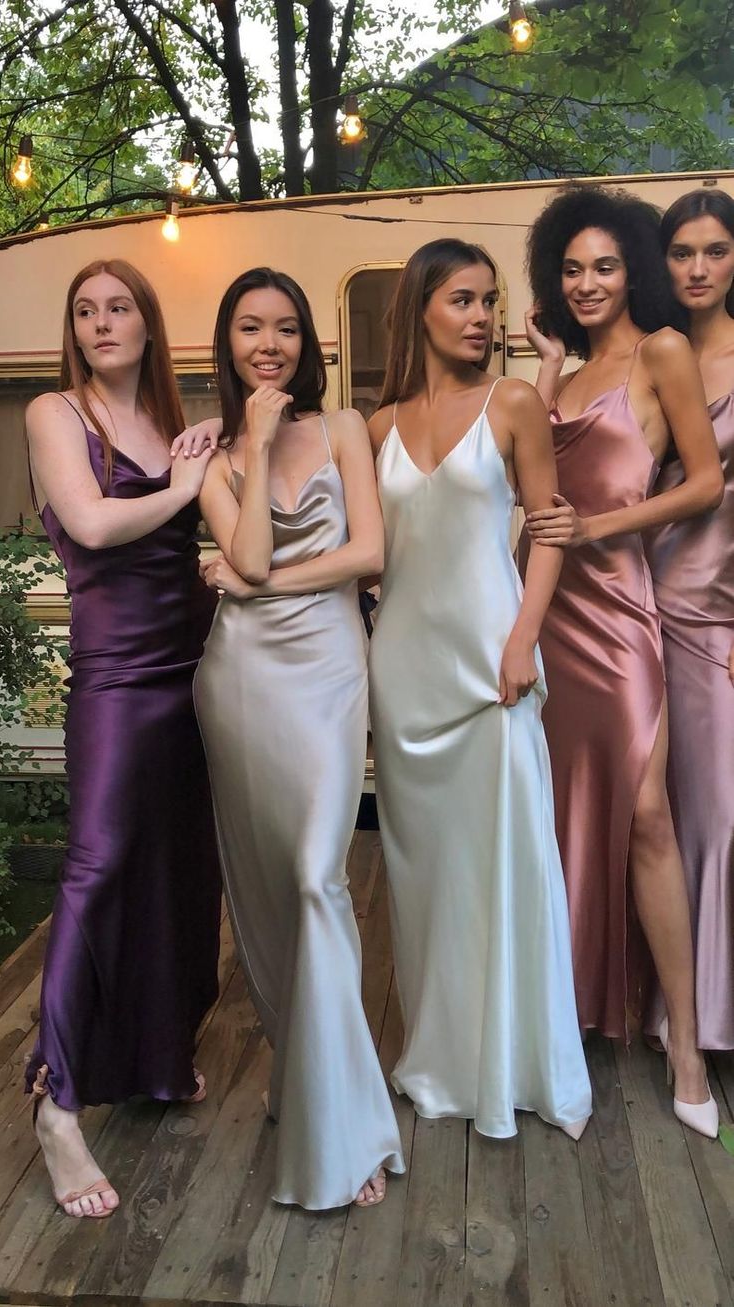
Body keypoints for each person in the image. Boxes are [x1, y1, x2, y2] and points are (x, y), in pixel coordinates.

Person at [367, 238, 592, 1141]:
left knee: (504, 865)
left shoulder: (513, 401)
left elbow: (548, 531)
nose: (482, 316)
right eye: (463, 299)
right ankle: (441, 1054)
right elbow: (365, 555)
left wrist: (522, 641)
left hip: (491, 666)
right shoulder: (376, 425)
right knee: (425, 882)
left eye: (489, 300)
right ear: (420, 305)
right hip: (403, 677)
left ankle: (512, 1065)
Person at [193, 267, 404, 1210]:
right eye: (250, 328)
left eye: (285, 327)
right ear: (228, 342)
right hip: (238, 681)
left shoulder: (349, 428)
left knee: (320, 874)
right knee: (267, 888)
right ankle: (298, 1064)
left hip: (323, 667)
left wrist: (260, 583)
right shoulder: (211, 459)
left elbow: (369, 554)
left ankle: (348, 1126)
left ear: (308, 341)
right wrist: (259, 437)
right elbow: (240, 552)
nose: (268, 343)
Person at [524, 184, 723, 1135]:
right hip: (543, 615)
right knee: (562, 818)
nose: (588, 281)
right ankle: (566, 1024)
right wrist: (544, 363)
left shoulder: (661, 351)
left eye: (605, 265)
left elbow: (703, 483)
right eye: (571, 268)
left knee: (644, 816)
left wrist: (601, 525)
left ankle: (684, 1047)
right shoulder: (555, 374)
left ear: (632, 268)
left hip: (619, 613)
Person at [24, 258, 222, 1217]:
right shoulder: (56, 415)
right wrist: (185, 491)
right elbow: (96, 525)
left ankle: (156, 1053)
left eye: (120, 307)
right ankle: (57, 1104)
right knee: (97, 866)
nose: (103, 322)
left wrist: (217, 444)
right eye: (86, 310)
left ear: (149, 324)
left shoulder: (174, 425)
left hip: (196, 670)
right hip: (115, 679)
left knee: (180, 865)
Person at [643, 189, 734, 1050]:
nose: (698, 269)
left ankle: (707, 1013)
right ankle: (670, 1001)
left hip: (718, 613)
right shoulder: (649, 355)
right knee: (651, 809)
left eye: (714, 251)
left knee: (719, 810)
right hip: (637, 600)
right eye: (681, 252)